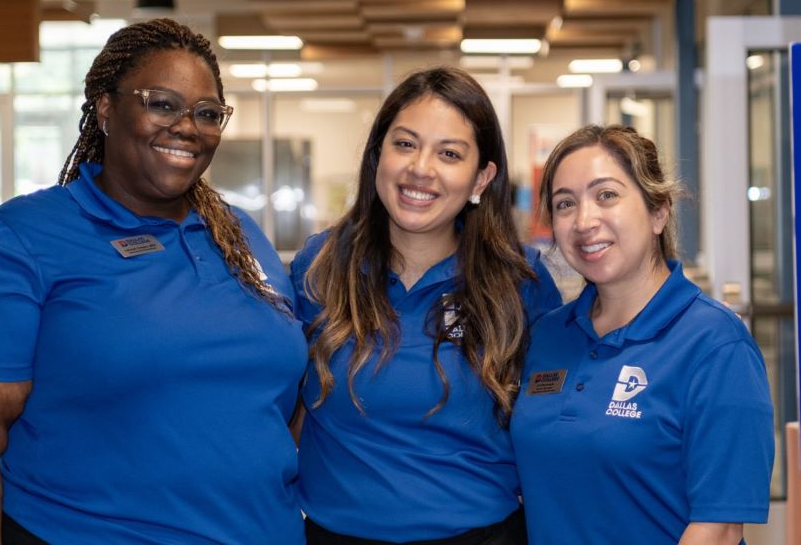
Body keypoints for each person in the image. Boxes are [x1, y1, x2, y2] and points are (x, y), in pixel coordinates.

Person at [0, 18, 308, 544]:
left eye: (207, 113)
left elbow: (277, 402)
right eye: (162, 104)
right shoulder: (20, 240)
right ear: (105, 109)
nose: (187, 127)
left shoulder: (240, 234)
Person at [291, 66, 562, 544]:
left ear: (482, 178)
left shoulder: (520, 280)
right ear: (378, 155)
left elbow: (558, 420)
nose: (421, 168)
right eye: (405, 144)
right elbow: (279, 405)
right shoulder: (321, 265)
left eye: (449, 153)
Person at [510, 125, 774, 543]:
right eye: (565, 204)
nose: (584, 221)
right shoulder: (547, 335)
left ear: (658, 212)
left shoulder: (716, 345)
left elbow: (718, 528)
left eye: (606, 195)